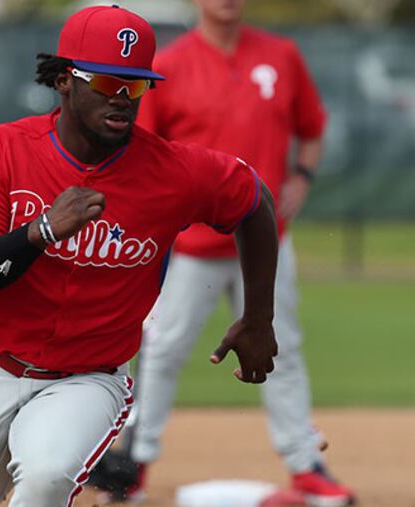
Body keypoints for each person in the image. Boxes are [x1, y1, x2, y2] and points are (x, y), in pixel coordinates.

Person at [0, 5, 281, 507]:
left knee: (46, 477)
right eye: (108, 82)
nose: (124, 100)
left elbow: (254, 200)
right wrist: (39, 232)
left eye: (135, 86)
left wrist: (258, 316)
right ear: (66, 80)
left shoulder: (171, 172)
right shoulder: (4, 149)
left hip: (88, 381)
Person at [89, 1, 356, 506]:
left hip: (267, 240)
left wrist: (303, 176)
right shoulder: (169, 64)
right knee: (162, 349)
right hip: (192, 243)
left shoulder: (282, 55)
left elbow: (313, 127)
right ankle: (135, 462)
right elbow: (141, 147)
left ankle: (305, 463)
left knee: (282, 347)